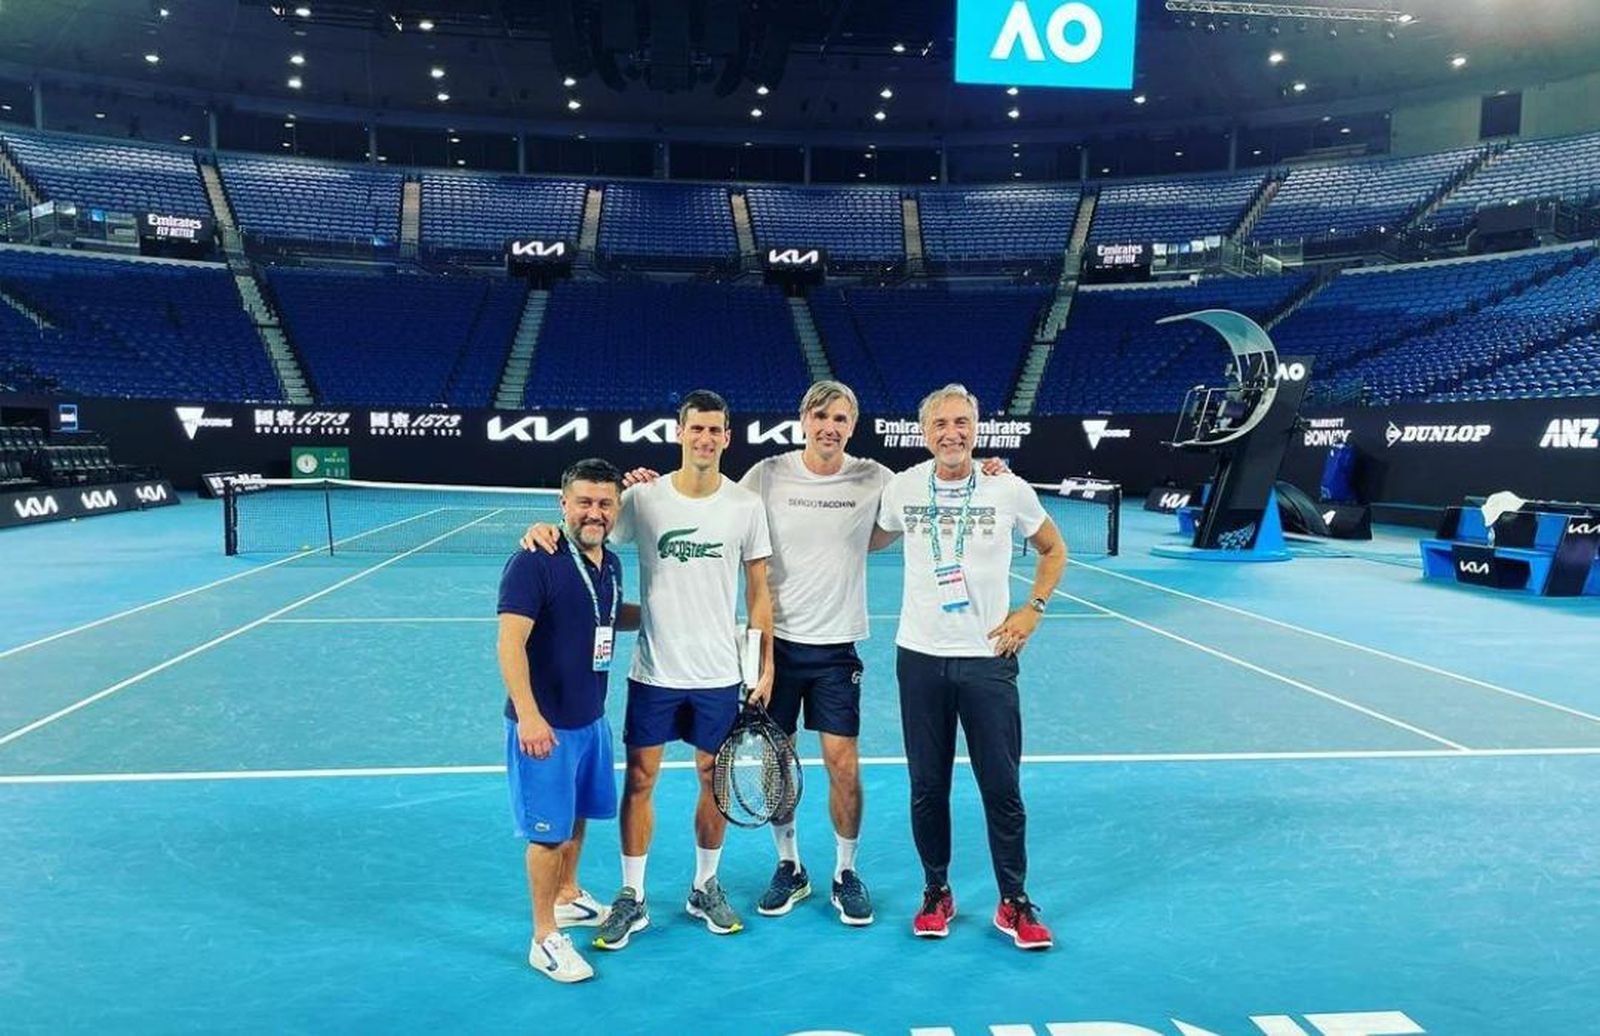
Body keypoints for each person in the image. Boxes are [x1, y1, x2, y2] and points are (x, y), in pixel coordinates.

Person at [875, 383, 1066, 950]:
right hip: (920, 658)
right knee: (927, 787)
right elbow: (865, 537)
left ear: (976, 428)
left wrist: (1032, 610)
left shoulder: (1008, 487)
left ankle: (1014, 901)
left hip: (989, 659)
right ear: (924, 432)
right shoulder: (903, 487)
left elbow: (1054, 549)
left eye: (961, 422)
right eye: (940, 424)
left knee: (1001, 787)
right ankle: (936, 891)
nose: (952, 433)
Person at [587, 389, 775, 949]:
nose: (705, 438)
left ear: (727, 437)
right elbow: (590, 530)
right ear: (679, 433)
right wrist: (545, 531)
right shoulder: (644, 499)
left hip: (718, 674)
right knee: (640, 779)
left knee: (712, 780)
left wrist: (763, 665)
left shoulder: (745, 505)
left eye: (715, 430)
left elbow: (759, 592)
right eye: (697, 428)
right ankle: (632, 895)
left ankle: (704, 886)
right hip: (655, 672)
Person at [497, 458, 641, 983]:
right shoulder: (534, 560)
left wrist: (674, 613)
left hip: (590, 719)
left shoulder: (611, 564)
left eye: (604, 503)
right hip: (546, 726)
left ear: (616, 508)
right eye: (584, 502)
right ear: (564, 504)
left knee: (578, 815)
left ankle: (567, 895)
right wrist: (530, 716)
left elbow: (611, 615)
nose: (594, 512)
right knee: (548, 834)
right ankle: (544, 938)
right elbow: (510, 642)